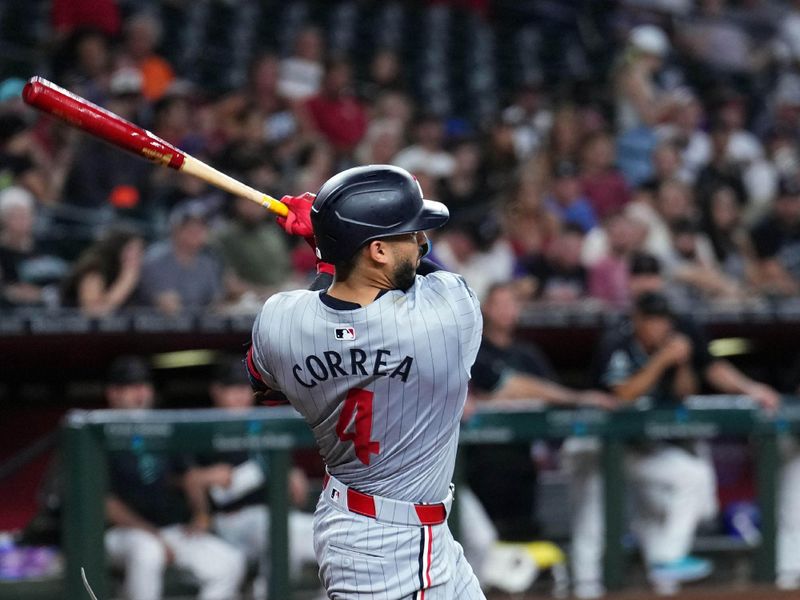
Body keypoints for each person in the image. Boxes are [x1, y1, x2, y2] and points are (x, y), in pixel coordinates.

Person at [247, 165, 486, 598]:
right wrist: (324, 246)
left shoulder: (278, 319)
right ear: (377, 250)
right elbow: (427, 270)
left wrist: (330, 247)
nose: (422, 241)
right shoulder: (449, 314)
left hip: (364, 531)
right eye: (409, 233)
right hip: (383, 551)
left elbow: (263, 385)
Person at [567, 291, 779, 598]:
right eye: (652, 319)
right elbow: (623, 395)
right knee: (591, 523)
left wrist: (680, 365)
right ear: (637, 319)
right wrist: (662, 360)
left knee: (693, 477)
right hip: (593, 445)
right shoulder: (617, 342)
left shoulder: (671, 345)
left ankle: (665, 564)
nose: (659, 326)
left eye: (664, 320)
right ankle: (585, 590)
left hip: (637, 448)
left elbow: (685, 393)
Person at [467, 282, 615, 538]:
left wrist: (528, 394)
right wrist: (576, 397)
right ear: (485, 309)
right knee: (483, 538)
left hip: (522, 460)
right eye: (499, 304)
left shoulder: (527, 354)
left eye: (511, 304)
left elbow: (546, 391)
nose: (506, 311)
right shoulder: (473, 349)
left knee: (522, 532)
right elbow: (511, 386)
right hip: (480, 461)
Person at [103, 356, 246, 600]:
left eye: (144, 385)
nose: (140, 392)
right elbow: (106, 504)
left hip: (168, 530)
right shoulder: (100, 433)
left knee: (230, 562)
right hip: (121, 535)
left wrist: (200, 514)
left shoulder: (162, 428)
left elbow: (187, 476)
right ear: (113, 393)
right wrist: (153, 535)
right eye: (130, 386)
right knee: (147, 552)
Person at [189, 356, 318, 599]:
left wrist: (290, 473)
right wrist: (204, 476)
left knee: (330, 540)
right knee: (281, 537)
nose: (239, 395)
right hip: (230, 521)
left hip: (270, 515)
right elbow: (180, 478)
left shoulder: (262, 426)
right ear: (216, 391)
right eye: (231, 388)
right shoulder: (202, 427)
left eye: (243, 388)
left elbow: (287, 481)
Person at [136, 199, 224, 314]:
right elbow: (170, 309)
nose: (197, 231)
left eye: (202, 226)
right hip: (157, 329)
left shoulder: (208, 262)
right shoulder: (155, 259)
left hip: (200, 328)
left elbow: (217, 304)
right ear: (175, 229)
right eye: (189, 226)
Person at [60, 227, 144, 316]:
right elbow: (94, 311)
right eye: (133, 250)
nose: (138, 256)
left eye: (140, 250)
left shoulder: (137, 271)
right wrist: (127, 280)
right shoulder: (94, 268)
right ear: (117, 249)